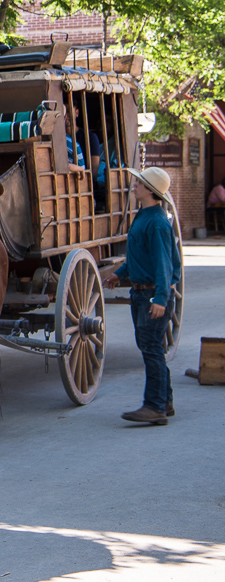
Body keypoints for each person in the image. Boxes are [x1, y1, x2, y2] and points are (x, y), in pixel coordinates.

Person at [103, 167, 182, 426]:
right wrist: (120, 273)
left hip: (152, 295)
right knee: (152, 347)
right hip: (141, 292)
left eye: (138, 183)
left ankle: (155, 407)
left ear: (149, 190)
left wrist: (160, 298)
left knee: (150, 349)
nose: (134, 186)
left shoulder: (157, 222)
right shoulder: (144, 215)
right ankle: (165, 401)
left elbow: (164, 264)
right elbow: (139, 255)